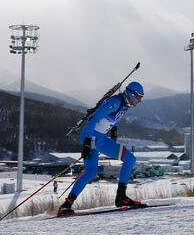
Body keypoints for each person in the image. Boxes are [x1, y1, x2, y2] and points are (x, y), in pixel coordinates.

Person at [58, 82, 145, 215]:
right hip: (92, 137)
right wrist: (87, 142)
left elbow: (112, 120)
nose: (139, 101)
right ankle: (67, 203)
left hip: (101, 139)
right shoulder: (115, 102)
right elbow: (93, 120)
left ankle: (121, 197)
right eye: (138, 98)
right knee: (92, 171)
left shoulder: (125, 105)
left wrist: (113, 131)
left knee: (128, 159)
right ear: (131, 94)